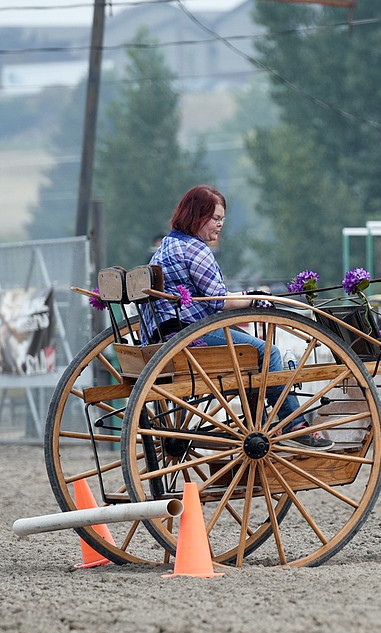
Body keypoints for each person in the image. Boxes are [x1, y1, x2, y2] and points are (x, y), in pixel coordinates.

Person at [141, 185, 332, 450]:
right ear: (198, 216)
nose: (220, 226)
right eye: (216, 219)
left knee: (250, 355)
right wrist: (255, 297)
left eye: (222, 220)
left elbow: (208, 295)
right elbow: (219, 300)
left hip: (163, 334)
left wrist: (247, 295)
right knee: (268, 353)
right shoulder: (195, 250)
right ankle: (294, 425)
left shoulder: (167, 245)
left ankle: (260, 422)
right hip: (191, 336)